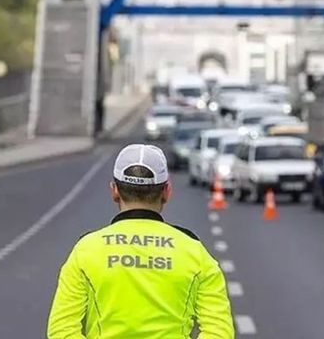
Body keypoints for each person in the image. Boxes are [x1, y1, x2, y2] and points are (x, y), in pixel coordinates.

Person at [47, 144, 235, 338]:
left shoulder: (86, 250)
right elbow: (219, 331)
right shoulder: (194, 252)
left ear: (114, 191)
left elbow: (61, 330)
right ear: (166, 192)